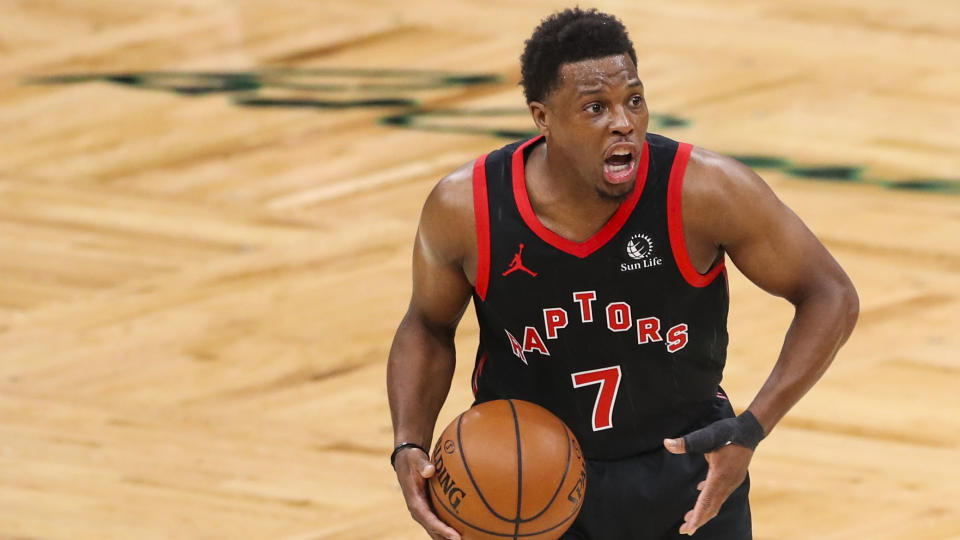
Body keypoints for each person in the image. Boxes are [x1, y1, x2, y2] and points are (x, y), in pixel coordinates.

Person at [386, 8, 858, 539]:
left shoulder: (702, 191)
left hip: (688, 476)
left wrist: (752, 427)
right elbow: (426, 326)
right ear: (543, 118)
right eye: (595, 107)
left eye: (634, 99)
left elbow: (831, 293)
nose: (624, 121)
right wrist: (409, 443)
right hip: (527, 480)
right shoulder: (467, 209)